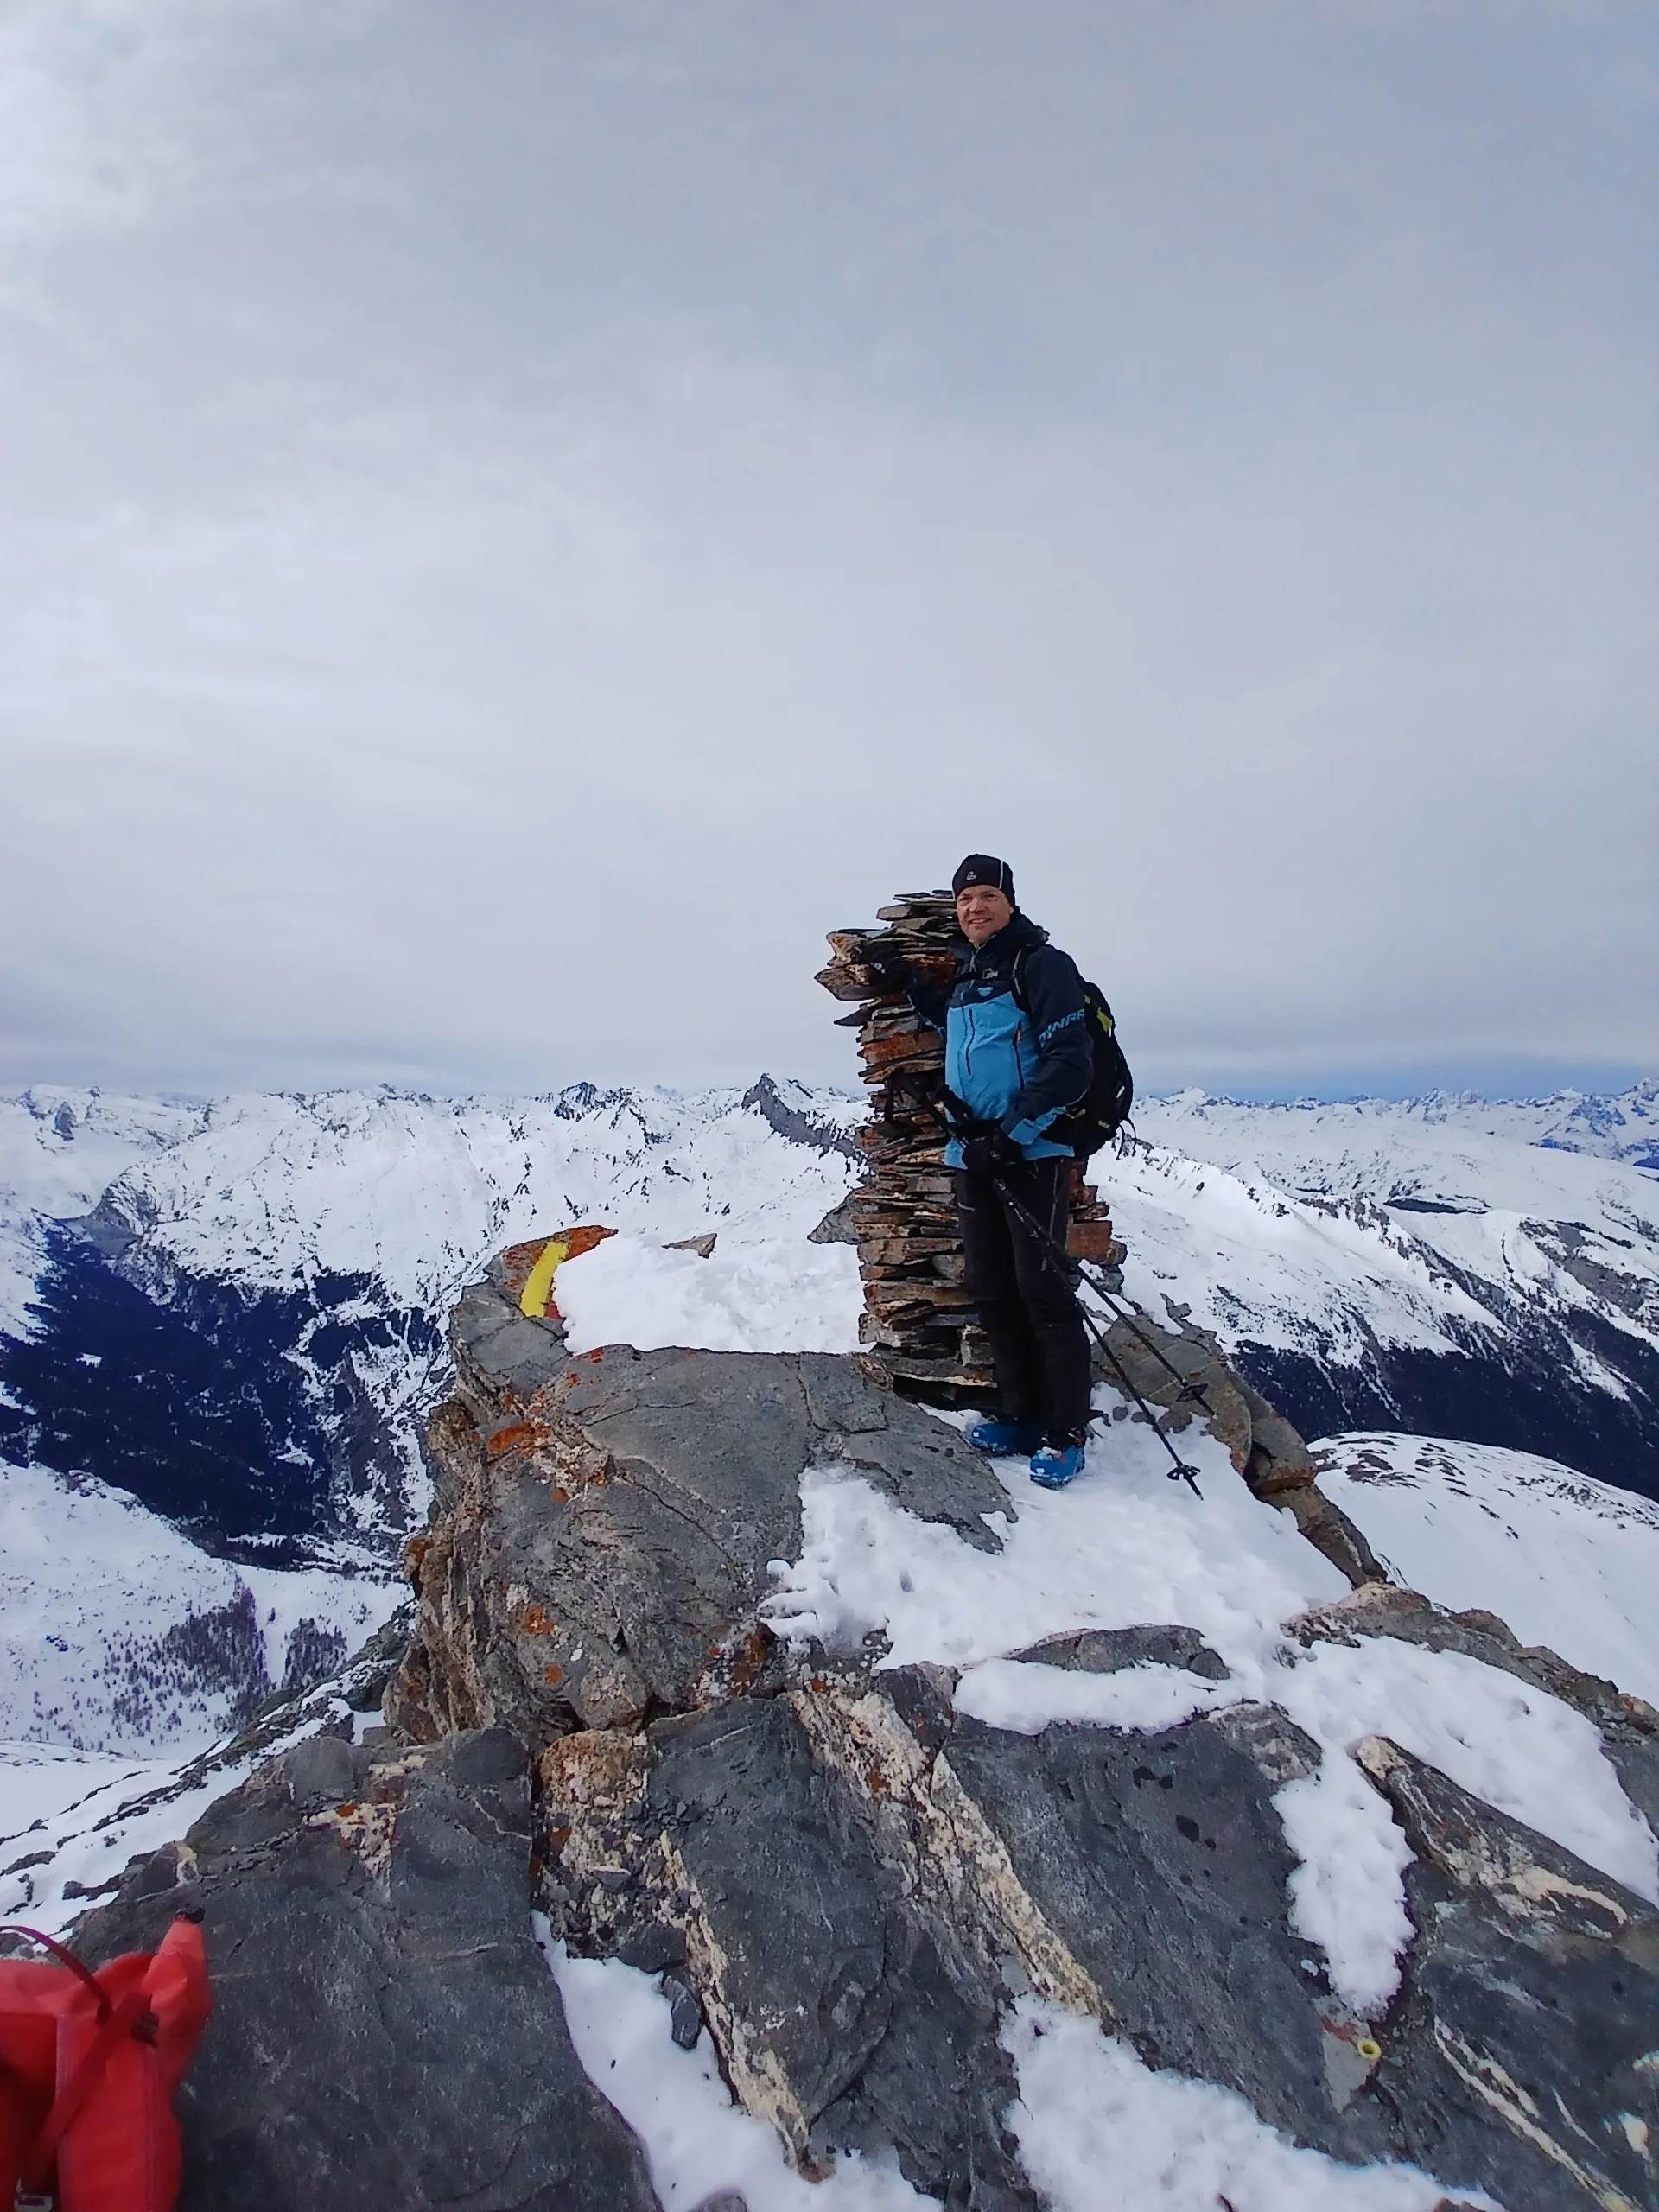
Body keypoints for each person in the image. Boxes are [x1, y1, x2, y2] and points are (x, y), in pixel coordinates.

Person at [873, 853, 1095, 1488]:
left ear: (1010, 902)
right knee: (992, 1289)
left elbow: (1070, 1064)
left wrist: (1011, 1135)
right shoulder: (974, 973)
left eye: (986, 896)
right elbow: (957, 1028)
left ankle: (1066, 1431)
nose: (974, 908)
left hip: (1032, 1153)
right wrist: (907, 983)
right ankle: (1019, 1414)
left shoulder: (1042, 966)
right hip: (970, 1153)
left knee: (1043, 1293)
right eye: (965, 899)